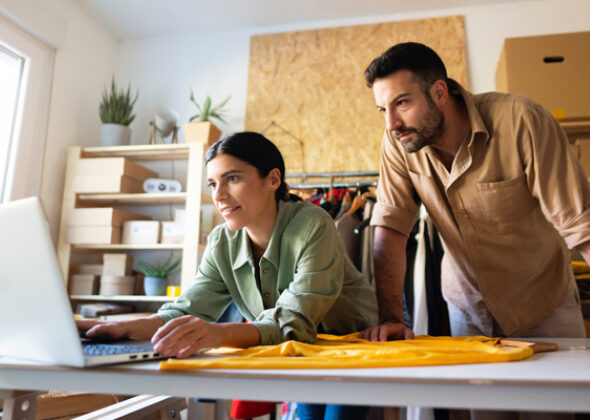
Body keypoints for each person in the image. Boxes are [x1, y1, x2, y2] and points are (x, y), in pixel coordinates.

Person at [358, 42, 590, 420]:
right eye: (382, 109)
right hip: (468, 312)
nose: (390, 123)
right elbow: (390, 229)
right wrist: (392, 317)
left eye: (401, 103)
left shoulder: (522, 120)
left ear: (439, 91)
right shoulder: (398, 142)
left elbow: (584, 228)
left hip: (543, 304)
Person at [77, 131, 377, 420]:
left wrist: (217, 333)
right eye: (212, 183)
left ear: (273, 179)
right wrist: (120, 328)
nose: (218, 195)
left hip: (352, 345)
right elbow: (187, 309)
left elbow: (295, 320)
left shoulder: (313, 225)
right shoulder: (222, 241)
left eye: (232, 178)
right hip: (305, 350)